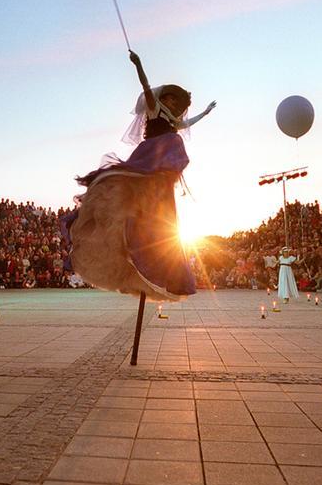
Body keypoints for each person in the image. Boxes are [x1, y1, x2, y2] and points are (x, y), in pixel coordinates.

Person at [61, 50, 215, 302]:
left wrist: (206, 113)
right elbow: (145, 86)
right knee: (137, 173)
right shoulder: (154, 109)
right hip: (151, 155)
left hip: (163, 163)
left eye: (179, 104)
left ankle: (153, 205)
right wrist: (139, 65)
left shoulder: (175, 123)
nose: (177, 106)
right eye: (174, 101)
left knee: (173, 142)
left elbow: (189, 124)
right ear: (166, 97)